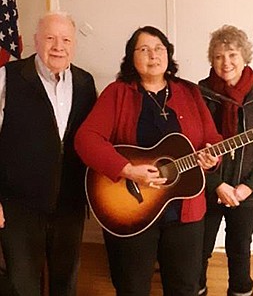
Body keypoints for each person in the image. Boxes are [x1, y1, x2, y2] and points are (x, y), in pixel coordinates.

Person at [75, 25, 222, 296]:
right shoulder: (117, 93)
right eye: (143, 49)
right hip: (131, 208)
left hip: (185, 212)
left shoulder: (191, 93)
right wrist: (127, 169)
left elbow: (211, 140)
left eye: (159, 48)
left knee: (185, 288)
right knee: (132, 288)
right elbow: (86, 139)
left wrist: (212, 157)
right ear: (131, 57)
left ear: (168, 55)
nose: (153, 55)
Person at [0, 11, 97, 296]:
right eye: (50, 38)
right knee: (23, 286)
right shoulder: (8, 78)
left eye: (66, 39)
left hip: (69, 205)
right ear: (35, 40)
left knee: (65, 284)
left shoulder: (85, 82)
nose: (58, 46)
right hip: (18, 206)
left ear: (74, 45)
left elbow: (92, 141)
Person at [197, 25, 253, 296]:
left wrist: (246, 188)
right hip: (208, 189)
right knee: (200, 249)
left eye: (232, 54)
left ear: (244, 57)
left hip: (248, 194)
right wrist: (217, 185)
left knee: (239, 249)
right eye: (219, 56)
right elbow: (193, 146)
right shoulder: (200, 93)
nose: (226, 62)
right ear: (212, 60)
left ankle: (241, 292)